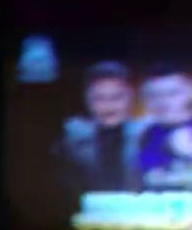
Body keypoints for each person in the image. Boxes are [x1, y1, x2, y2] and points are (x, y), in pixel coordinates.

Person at [57, 61, 145, 195]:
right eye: (99, 98)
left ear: (131, 97)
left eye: (116, 97)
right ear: (87, 99)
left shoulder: (147, 135)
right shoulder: (70, 140)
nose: (108, 106)